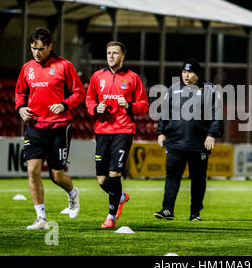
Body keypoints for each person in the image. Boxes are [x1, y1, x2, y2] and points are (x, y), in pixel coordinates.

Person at [15, 27, 85, 229]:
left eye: (40, 49)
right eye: (33, 48)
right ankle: (41, 219)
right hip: (35, 125)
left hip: (59, 127)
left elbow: (79, 93)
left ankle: (73, 194)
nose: (36, 53)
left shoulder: (64, 66)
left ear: (50, 47)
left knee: (57, 175)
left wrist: (64, 104)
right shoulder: (27, 67)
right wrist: (20, 108)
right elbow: (20, 92)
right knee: (32, 170)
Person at [86, 41, 149, 229]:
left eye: (115, 53)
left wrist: (129, 105)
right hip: (102, 130)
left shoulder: (132, 78)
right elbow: (89, 100)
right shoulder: (97, 77)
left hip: (123, 130)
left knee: (115, 174)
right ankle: (121, 197)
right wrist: (96, 108)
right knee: (102, 180)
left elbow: (144, 105)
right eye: (108, 53)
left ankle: (111, 217)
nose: (111, 56)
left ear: (122, 57)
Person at [154, 59, 224, 221]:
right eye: (184, 72)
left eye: (190, 72)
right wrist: (161, 132)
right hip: (175, 142)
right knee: (172, 176)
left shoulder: (210, 90)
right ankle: (167, 209)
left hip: (199, 143)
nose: (186, 75)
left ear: (198, 74)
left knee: (198, 179)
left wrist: (212, 134)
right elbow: (164, 112)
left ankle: (195, 213)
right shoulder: (173, 89)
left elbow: (217, 115)